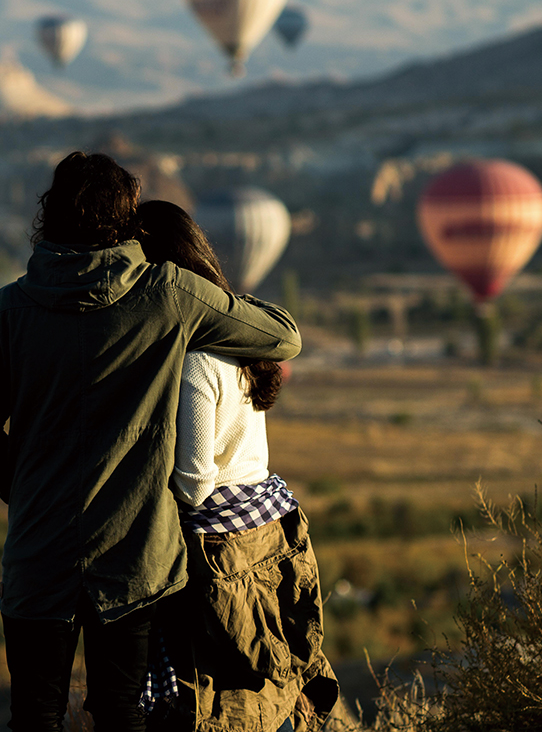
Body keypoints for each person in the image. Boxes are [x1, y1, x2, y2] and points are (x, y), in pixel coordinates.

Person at [0, 153, 303, 732]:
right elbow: (283, 337)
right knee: (122, 712)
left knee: (34, 716)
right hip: (136, 557)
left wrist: (26, 487)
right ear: (126, 218)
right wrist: (217, 292)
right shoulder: (170, 294)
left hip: (38, 553)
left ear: (49, 215)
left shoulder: (7, 309)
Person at [134, 200, 339, 732]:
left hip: (218, 546)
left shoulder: (196, 359)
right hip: (266, 525)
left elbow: (196, 479)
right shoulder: (238, 340)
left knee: (217, 688)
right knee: (267, 670)